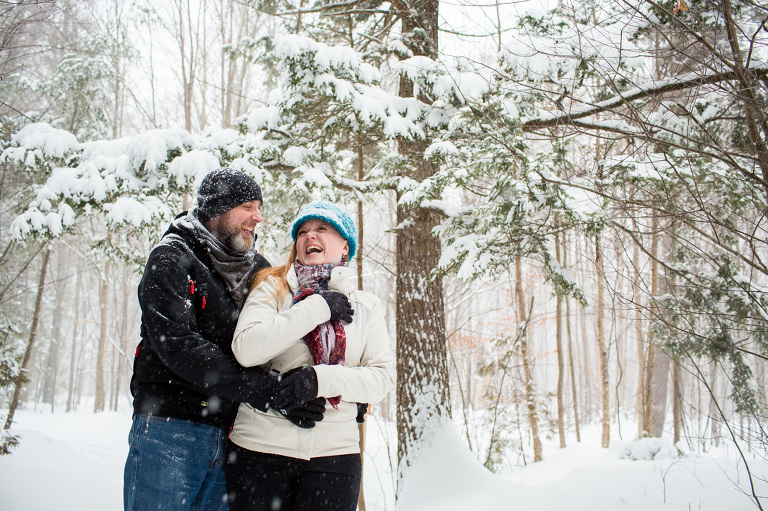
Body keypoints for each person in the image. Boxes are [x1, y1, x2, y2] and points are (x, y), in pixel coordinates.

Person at [124, 168, 325, 511]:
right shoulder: (172, 258)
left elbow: (277, 334)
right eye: (248, 207)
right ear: (217, 209)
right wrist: (269, 390)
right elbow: (179, 346)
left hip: (235, 433)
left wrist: (318, 383)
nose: (257, 218)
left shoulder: (258, 269)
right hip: (170, 430)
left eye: (259, 207)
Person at [225, 201, 395, 511]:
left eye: (321, 229)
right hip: (260, 451)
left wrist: (319, 380)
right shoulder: (272, 290)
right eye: (302, 232)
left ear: (345, 246)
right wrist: (317, 308)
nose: (309, 236)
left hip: (334, 459)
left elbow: (381, 380)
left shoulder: (367, 306)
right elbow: (246, 349)